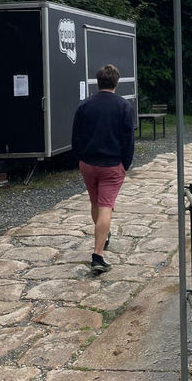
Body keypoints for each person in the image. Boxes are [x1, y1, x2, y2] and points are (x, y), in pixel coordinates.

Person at [72, 64, 134, 273]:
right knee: (106, 206)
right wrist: (125, 164)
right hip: (112, 164)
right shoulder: (123, 106)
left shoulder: (85, 105)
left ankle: (103, 234)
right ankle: (98, 255)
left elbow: (76, 136)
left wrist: (80, 158)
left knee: (95, 202)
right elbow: (128, 140)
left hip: (88, 163)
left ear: (98, 82)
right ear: (116, 82)